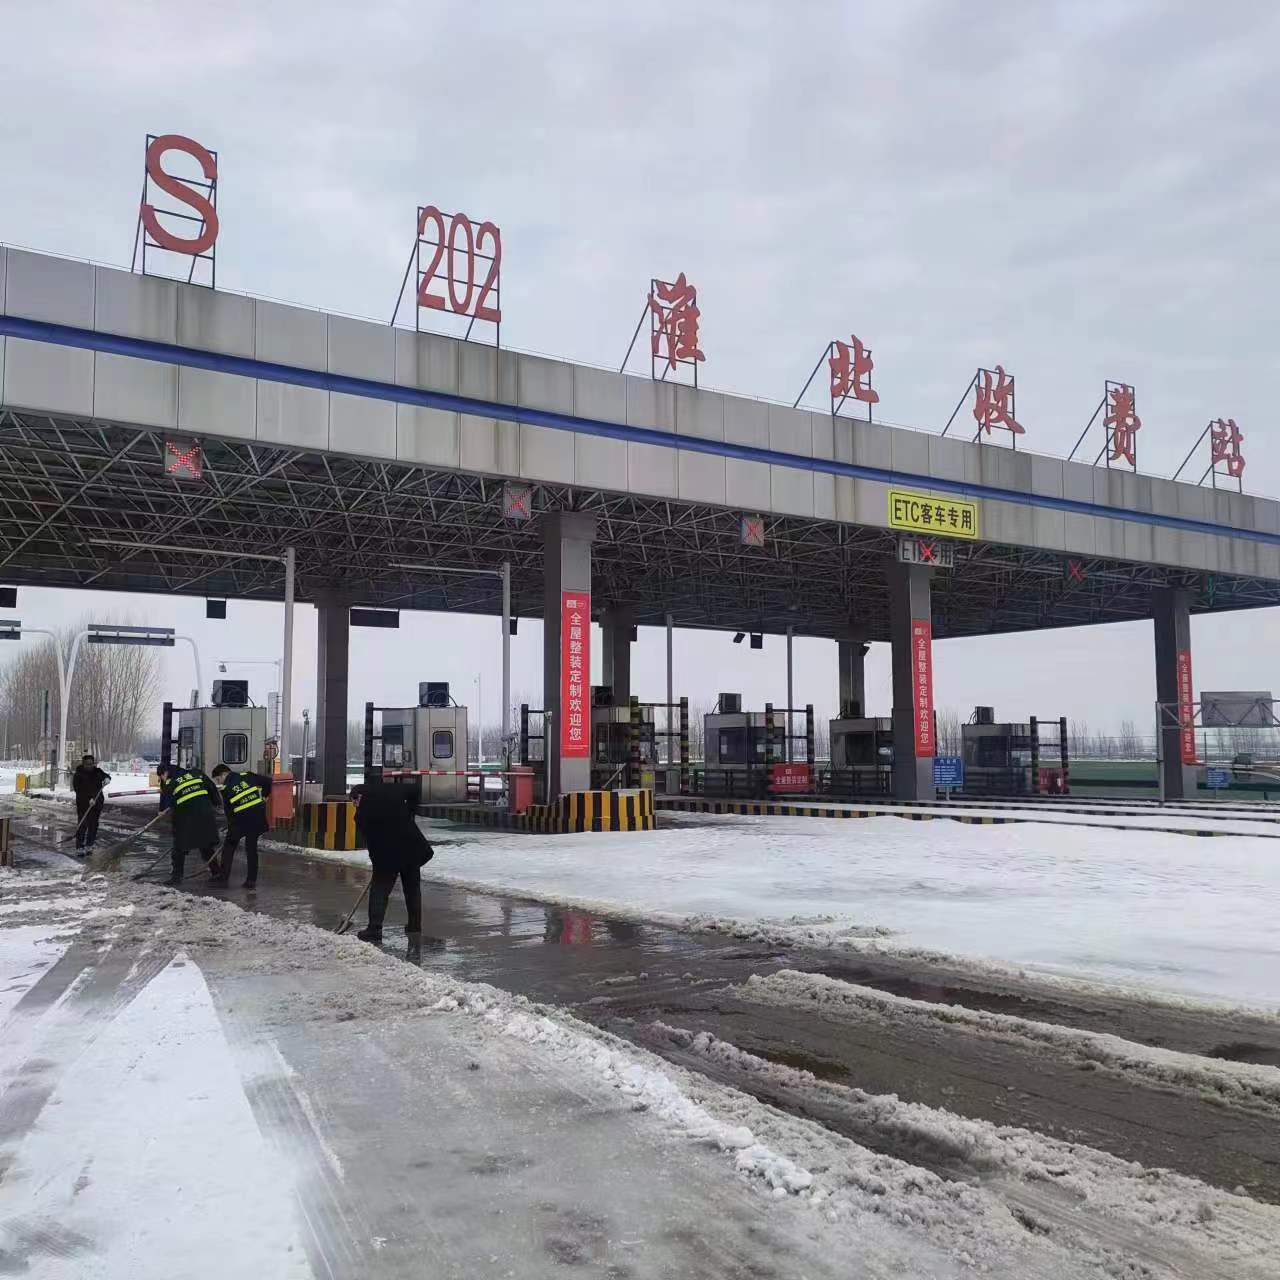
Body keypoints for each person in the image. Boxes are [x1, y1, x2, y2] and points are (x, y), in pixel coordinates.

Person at [350, 782, 433, 944]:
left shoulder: (362, 816)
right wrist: (410, 813)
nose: (355, 805)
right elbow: (415, 789)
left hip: (387, 856)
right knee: (412, 889)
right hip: (410, 849)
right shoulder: (391, 790)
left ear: (360, 796)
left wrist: (377, 865)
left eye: (354, 801)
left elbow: (371, 843)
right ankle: (414, 926)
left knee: (379, 891)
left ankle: (374, 930)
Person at [155, 761, 223, 887]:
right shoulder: (196, 773)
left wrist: (162, 811)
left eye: (161, 777)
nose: (162, 780)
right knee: (205, 844)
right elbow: (211, 787)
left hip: (186, 816)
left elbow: (167, 800)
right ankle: (216, 872)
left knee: (179, 847)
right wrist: (216, 803)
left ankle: (176, 877)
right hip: (205, 815)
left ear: (165, 773)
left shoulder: (170, 782)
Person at [209, 764, 273, 889]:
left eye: (218, 779)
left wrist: (230, 827)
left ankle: (223, 877)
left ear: (224, 774)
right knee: (251, 849)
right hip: (257, 817)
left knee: (229, 846)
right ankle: (251, 881)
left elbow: (229, 812)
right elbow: (268, 782)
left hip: (241, 820)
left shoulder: (227, 788)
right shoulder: (247, 776)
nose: (219, 782)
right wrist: (264, 797)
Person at [70, 753, 111, 855]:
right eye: (87, 764)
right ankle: (80, 846)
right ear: (83, 764)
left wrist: (107, 779)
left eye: (91, 764)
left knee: (93, 825)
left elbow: (106, 776)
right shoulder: (79, 774)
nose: (89, 766)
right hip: (83, 804)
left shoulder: (97, 771)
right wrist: (88, 799)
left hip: (97, 802)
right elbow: (78, 790)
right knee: (83, 824)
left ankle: (89, 844)